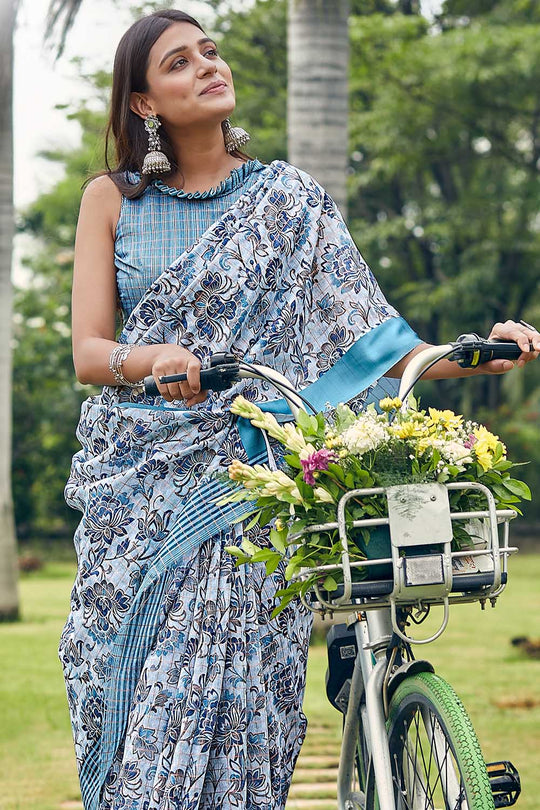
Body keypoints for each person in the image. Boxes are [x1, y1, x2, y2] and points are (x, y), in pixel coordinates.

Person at [60, 9, 540, 810]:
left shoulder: (290, 201)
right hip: (140, 492)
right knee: (138, 703)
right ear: (143, 103)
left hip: (254, 489)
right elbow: (88, 351)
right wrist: (154, 360)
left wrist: (476, 350)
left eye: (209, 51)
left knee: (251, 704)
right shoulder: (111, 200)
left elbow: (371, 344)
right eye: (179, 63)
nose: (207, 66)